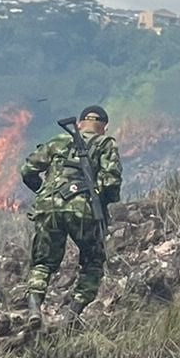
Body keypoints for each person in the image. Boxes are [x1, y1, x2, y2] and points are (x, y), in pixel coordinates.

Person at [19, 105, 123, 320]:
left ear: (79, 124)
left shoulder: (58, 141)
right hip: (83, 209)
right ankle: (71, 316)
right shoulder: (105, 143)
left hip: (49, 209)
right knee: (93, 263)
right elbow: (111, 183)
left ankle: (34, 310)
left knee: (42, 263)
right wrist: (102, 202)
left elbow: (28, 170)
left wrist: (43, 192)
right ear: (104, 127)